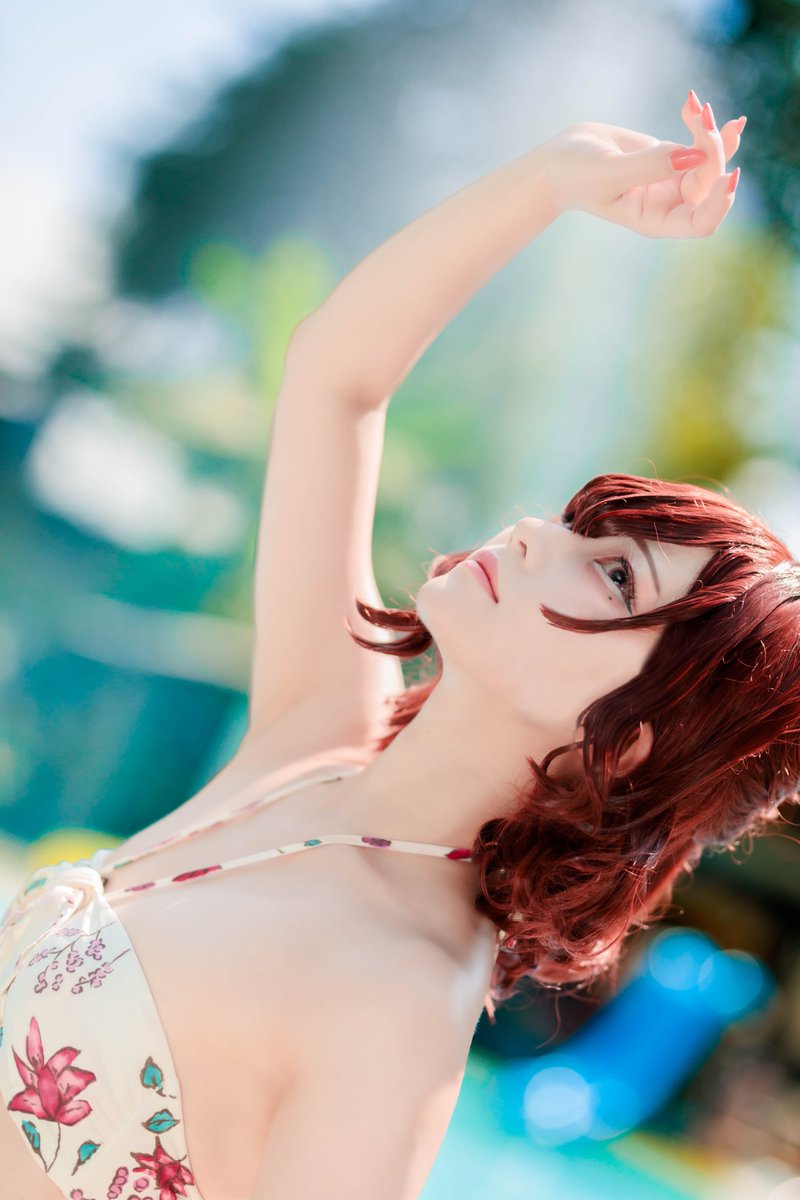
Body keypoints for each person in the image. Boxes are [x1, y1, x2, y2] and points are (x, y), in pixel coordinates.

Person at [2, 87, 793, 1200]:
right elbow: (335, 379)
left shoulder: (400, 1002)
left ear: (632, 743)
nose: (536, 534)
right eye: (581, 525)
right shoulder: (319, 741)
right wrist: (551, 178)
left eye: (614, 575)